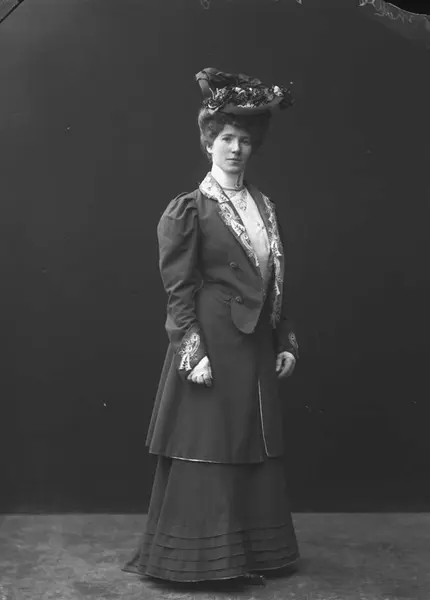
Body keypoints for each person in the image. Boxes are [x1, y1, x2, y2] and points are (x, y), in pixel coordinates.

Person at [122, 67, 300, 587]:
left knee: (251, 443)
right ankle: (203, 562)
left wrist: (285, 339)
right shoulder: (189, 210)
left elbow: (272, 278)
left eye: (244, 140)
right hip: (212, 346)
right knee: (210, 443)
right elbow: (178, 290)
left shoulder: (264, 206)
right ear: (208, 143)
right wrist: (191, 351)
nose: (236, 149)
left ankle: (254, 554)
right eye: (226, 138)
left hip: (255, 346)